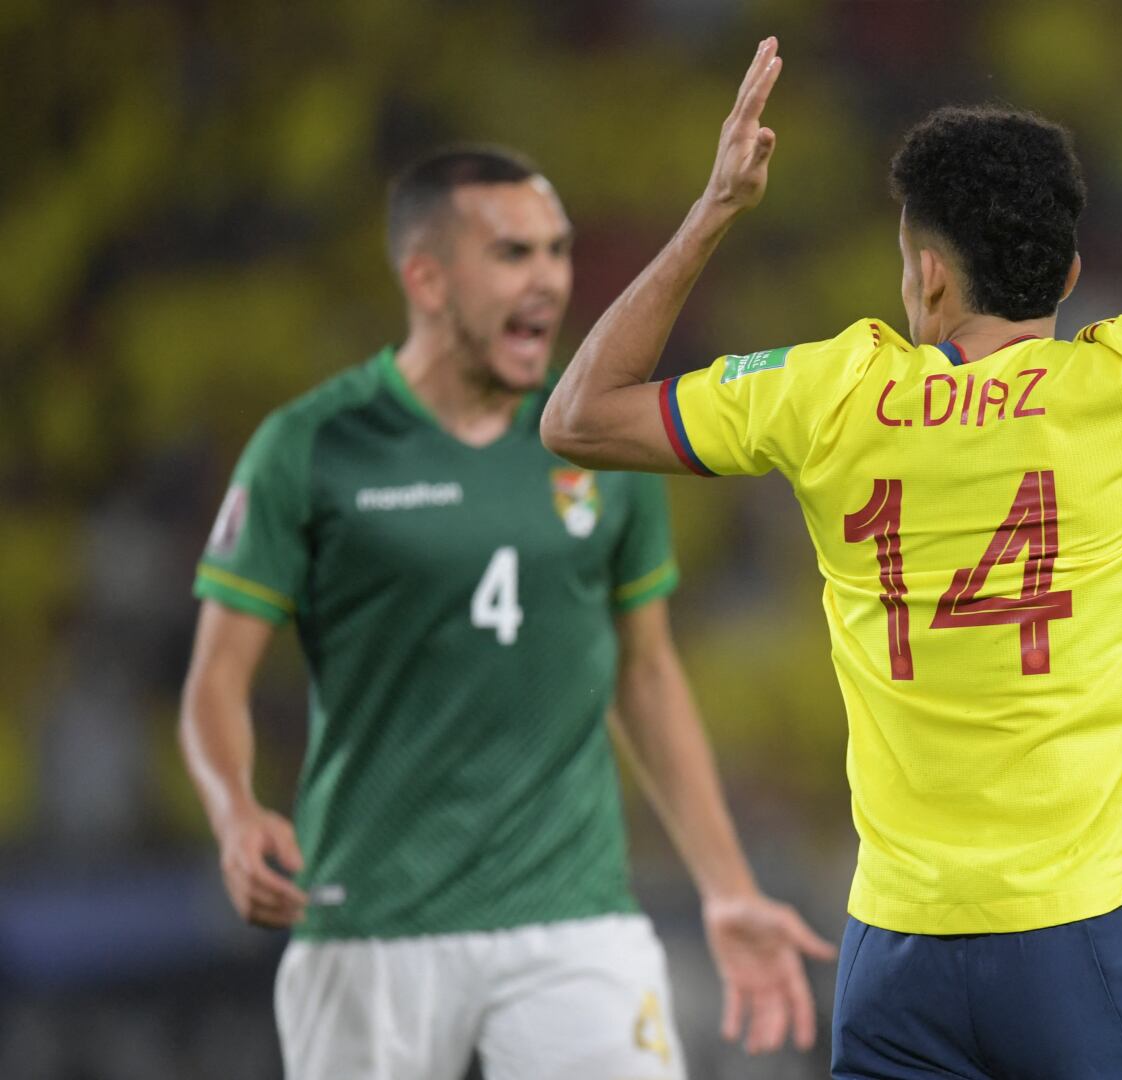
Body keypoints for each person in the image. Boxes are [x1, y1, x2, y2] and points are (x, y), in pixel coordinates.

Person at [543, 40, 1122, 1080]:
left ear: (926, 272)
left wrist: (713, 210)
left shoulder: (828, 391)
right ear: (1067, 273)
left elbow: (579, 417)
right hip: (1092, 937)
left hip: (894, 955)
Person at [178, 143, 833, 1080]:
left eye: (558, 252)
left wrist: (727, 886)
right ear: (428, 279)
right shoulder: (312, 447)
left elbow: (646, 673)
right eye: (513, 255)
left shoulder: (600, 441)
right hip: (370, 922)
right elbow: (215, 680)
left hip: (574, 920)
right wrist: (234, 811)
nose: (550, 281)